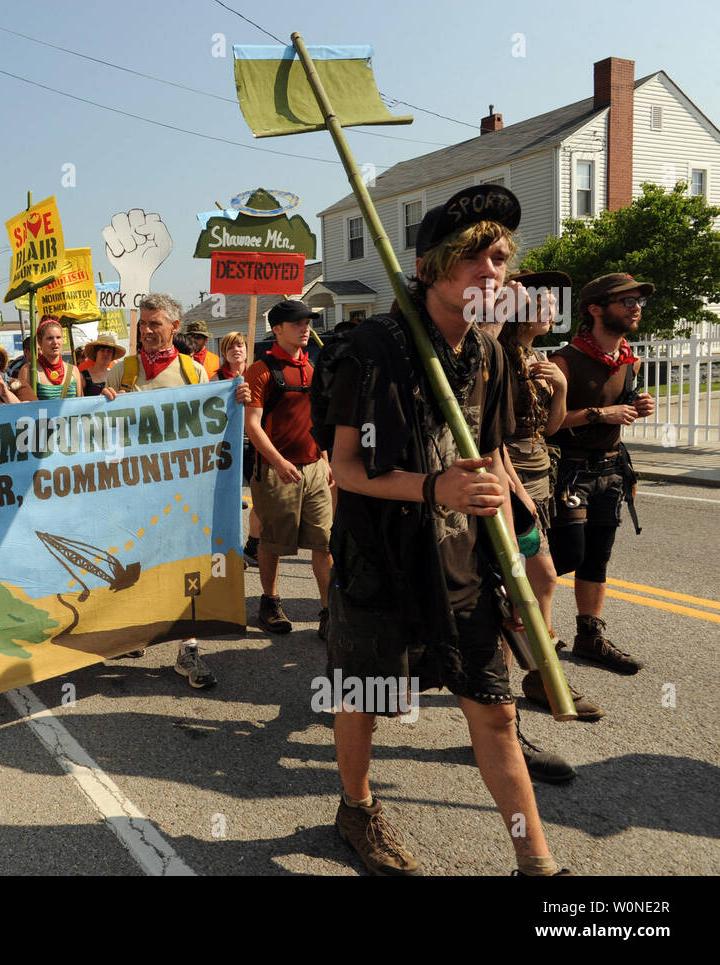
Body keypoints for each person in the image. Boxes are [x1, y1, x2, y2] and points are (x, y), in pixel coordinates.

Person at [317, 185, 568, 875]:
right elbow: (345, 466)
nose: (498, 273)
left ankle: (536, 864)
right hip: (380, 557)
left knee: (494, 712)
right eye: (482, 258)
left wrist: (523, 548)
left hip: (461, 559)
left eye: (503, 260)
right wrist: (433, 487)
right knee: (365, 698)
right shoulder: (373, 346)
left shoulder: (488, 353)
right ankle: (356, 808)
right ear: (439, 266)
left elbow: (493, 455)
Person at [493, 275, 603, 722]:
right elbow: (488, 436)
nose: (551, 308)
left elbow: (551, 427)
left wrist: (558, 387)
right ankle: (506, 683)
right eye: (542, 302)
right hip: (508, 483)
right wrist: (515, 491)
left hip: (537, 481)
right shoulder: (497, 357)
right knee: (519, 583)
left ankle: (534, 672)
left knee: (538, 580)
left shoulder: (535, 356)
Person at [100, 293, 218, 689]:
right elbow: (103, 432)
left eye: (155, 324)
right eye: (143, 324)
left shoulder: (193, 372)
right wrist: (104, 404)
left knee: (183, 565)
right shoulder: (122, 369)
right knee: (135, 563)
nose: (147, 330)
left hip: (180, 489)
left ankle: (187, 647)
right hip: (132, 489)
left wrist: (234, 399)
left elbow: (211, 424)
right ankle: (134, 632)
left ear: (174, 327)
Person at [547, 273, 655, 675]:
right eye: (625, 300)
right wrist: (599, 413)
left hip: (611, 469)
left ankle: (589, 635)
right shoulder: (565, 360)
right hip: (569, 472)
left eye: (638, 301)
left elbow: (621, 404)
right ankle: (515, 611)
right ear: (595, 309)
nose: (635, 307)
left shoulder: (630, 359)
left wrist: (637, 404)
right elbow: (546, 427)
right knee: (566, 554)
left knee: (597, 558)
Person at [244, 301, 334, 639]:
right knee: (272, 542)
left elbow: (316, 420)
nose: (305, 328)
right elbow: (252, 425)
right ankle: (269, 602)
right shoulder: (260, 370)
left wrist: (324, 458)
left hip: (314, 469)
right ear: (277, 329)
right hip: (275, 471)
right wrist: (279, 462)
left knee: (324, 543)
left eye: (307, 322)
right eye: (296, 323)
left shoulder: (312, 368)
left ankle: (328, 612)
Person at [214, 332, 262, 567]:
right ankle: (231, 549)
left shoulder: (257, 375)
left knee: (260, 496)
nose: (237, 350)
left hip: (255, 441)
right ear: (224, 352)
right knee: (230, 500)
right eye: (230, 346)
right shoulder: (216, 380)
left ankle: (253, 544)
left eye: (240, 345)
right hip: (227, 445)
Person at [18, 316, 84, 400]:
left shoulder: (74, 370)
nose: (55, 342)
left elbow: (81, 405)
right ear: (40, 341)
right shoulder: (28, 371)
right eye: (50, 338)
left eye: (58, 337)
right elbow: (22, 408)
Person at [79, 332, 126, 397]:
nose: (105, 354)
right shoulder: (83, 376)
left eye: (109, 351)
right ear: (96, 352)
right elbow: (79, 402)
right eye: (102, 350)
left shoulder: (116, 374)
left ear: (113, 356)